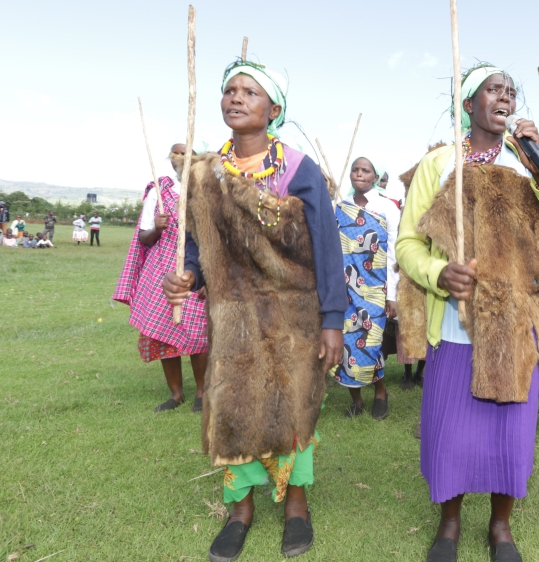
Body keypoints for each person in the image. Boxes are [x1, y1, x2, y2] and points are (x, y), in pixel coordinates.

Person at [162, 58, 346, 562]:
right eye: (230, 91)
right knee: (233, 406)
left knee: (293, 406)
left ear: (274, 109)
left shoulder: (296, 168)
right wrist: (189, 276)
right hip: (233, 316)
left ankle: (296, 505)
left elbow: (328, 248)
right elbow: (199, 245)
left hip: (294, 314)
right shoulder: (205, 172)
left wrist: (333, 320)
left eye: (250, 92)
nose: (236, 98)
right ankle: (239, 508)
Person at [396, 63, 539, 562]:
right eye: (493, 89)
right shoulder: (439, 165)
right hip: (456, 322)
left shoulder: (529, 164)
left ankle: (501, 527)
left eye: (510, 92)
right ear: (470, 103)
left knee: (509, 435)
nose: (505, 97)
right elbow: (408, 241)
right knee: (449, 429)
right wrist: (438, 273)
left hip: (517, 321)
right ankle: (449, 524)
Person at [113, 144, 209, 414]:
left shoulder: (209, 191)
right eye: (176, 154)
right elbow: (144, 237)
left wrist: (209, 278)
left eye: (187, 154)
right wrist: (157, 226)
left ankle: (202, 393)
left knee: (197, 330)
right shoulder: (158, 191)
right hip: (159, 272)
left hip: (195, 270)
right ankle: (176, 394)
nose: (181, 159)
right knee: (162, 334)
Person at [330, 156, 399, 420]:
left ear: (374, 176)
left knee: (371, 344)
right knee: (346, 345)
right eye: (355, 169)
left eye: (366, 170)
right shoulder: (340, 207)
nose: (359, 174)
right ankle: (356, 400)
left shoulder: (387, 209)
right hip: (344, 291)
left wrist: (392, 296)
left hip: (375, 290)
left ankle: (380, 392)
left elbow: (393, 254)